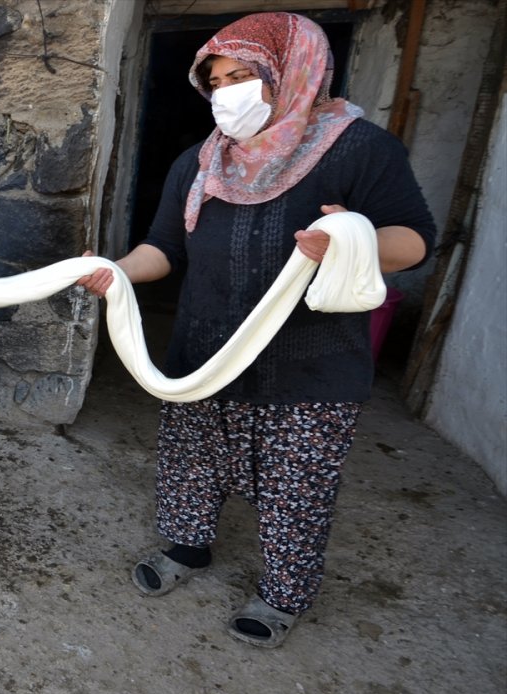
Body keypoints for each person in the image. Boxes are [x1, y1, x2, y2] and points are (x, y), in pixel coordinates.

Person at [78, 12, 435, 647]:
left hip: (311, 361)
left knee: (297, 484)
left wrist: (351, 239)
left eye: (242, 76)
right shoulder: (202, 162)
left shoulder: (357, 148)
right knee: (191, 464)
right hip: (206, 353)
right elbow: (164, 249)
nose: (225, 94)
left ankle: (282, 594)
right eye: (215, 81)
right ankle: (187, 549)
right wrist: (114, 272)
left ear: (289, 74)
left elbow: (413, 242)